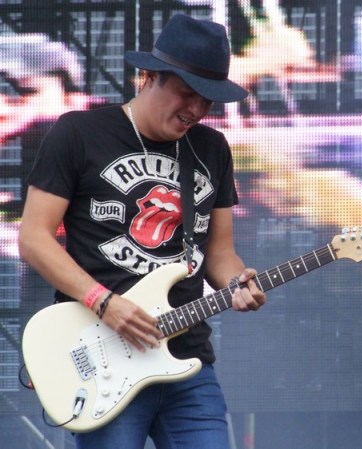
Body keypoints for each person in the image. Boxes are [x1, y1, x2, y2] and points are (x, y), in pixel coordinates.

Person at [18, 14, 266, 449]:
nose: (196, 110)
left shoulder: (211, 148)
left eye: (207, 100)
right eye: (187, 93)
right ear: (147, 77)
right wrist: (104, 302)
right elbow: (33, 238)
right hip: (102, 353)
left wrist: (238, 284)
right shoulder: (78, 133)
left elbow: (220, 254)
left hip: (185, 356)